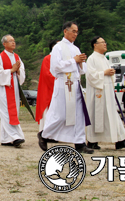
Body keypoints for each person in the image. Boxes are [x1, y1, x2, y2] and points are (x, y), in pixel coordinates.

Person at [40, 22, 93, 154]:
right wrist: (74, 61)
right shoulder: (58, 48)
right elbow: (55, 67)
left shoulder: (76, 49)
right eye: (73, 31)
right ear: (65, 31)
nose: (75, 34)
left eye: (77, 32)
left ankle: (80, 143)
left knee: (78, 115)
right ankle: (44, 134)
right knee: (61, 115)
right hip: (63, 84)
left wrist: (80, 63)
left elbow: (82, 70)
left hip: (75, 84)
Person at [85, 36, 125, 150]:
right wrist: (104, 72)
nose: (105, 44)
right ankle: (92, 141)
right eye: (102, 42)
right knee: (96, 115)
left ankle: (120, 140)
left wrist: (111, 73)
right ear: (95, 44)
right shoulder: (92, 58)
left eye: (105, 42)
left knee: (112, 115)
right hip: (98, 93)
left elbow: (107, 74)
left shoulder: (104, 58)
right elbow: (90, 76)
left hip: (107, 92)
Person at [0, 34, 26, 148]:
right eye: (10, 41)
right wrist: (11, 70)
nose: (13, 42)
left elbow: (22, 71)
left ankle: (5, 139)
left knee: (12, 112)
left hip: (14, 89)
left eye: (14, 40)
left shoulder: (17, 57)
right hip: (4, 89)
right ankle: (15, 137)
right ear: (4, 44)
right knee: (6, 113)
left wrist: (17, 71)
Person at [35, 40, 58, 150]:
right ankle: (45, 134)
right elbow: (47, 74)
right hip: (49, 90)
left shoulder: (60, 59)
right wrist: (59, 80)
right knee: (48, 112)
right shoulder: (48, 59)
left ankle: (53, 134)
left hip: (58, 89)